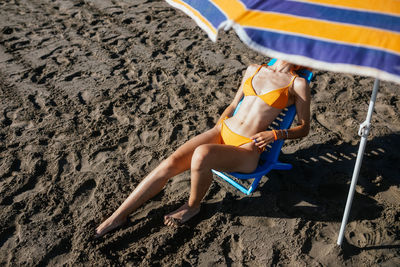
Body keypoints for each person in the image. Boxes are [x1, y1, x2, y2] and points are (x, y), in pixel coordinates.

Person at [95, 59, 310, 237]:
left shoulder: (297, 84)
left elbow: (304, 128)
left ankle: (193, 205)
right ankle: (118, 216)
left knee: (202, 154)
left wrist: (275, 134)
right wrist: (217, 129)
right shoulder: (254, 69)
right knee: (170, 163)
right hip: (223, 130)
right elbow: (234, 105)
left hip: (248, 148)